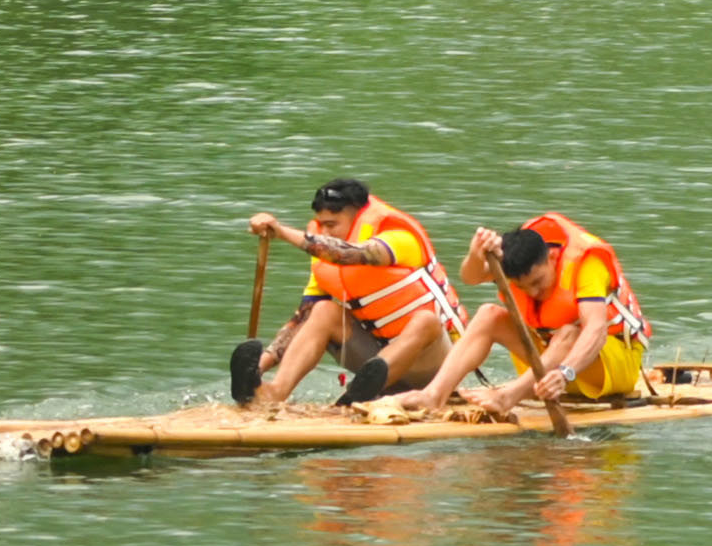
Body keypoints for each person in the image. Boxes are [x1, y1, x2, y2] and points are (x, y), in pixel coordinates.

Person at [378, 214, 652, 423]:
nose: (533, 293)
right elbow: (470, 277)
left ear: (552, 258)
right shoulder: (514, 260)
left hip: (610, 369)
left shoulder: (587, 264)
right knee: (488, 314)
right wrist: (476, 252)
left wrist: (564, 373)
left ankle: (507, 396)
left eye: (538, 283)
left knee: (568, 332)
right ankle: (433, 395)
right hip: (549, 371)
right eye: (523, 287)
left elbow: (595, 330)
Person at [233, 179, 465, 408]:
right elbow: (302, 319)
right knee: (322, 310)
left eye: (332, 225)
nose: (325, 233)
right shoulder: (325, 263)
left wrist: (281, 232)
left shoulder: (399, 237)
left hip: (434, 366)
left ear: (357, 215)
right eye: (321, 225)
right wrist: (257, 368)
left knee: (426, 320)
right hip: (375, 362)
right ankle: (273, 393)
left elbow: (350, 254)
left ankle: (357, 394)